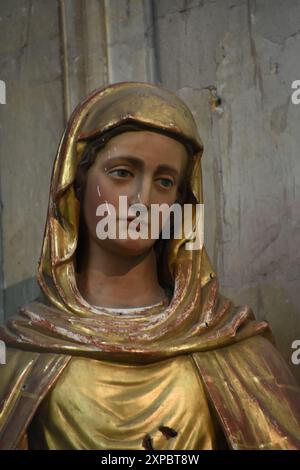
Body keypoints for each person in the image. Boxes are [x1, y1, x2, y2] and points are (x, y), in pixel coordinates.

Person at [0, 82, 299, 450]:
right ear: (76, 181)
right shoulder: (22, 350)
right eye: (122, 173)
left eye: (164, 181)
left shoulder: (234, 346)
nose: (142, 201)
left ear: (180, 201)